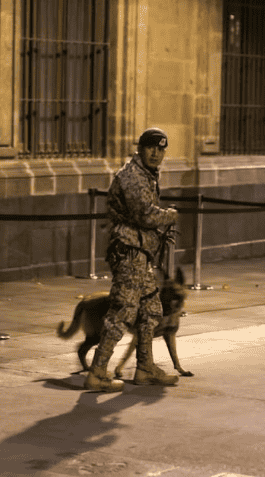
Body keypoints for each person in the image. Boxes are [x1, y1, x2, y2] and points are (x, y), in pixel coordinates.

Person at [85, 127, 180, 392]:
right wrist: (169, 216)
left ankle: (145, 368)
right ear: (140, 148)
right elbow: (145, 215)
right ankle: (98, 371)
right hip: (129, 254)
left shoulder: (147, 175)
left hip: (140, 253)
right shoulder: (133, 176)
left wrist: (157, 236)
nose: (156, 153)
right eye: (151, 147)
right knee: (123, 311)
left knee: (151, 310)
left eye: (161, 149)